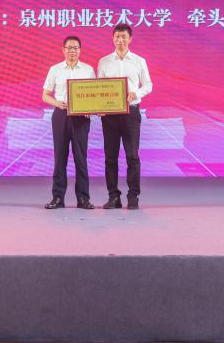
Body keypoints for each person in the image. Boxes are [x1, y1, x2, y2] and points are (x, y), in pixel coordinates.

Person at [97, 23, 152, 209]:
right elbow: (99, 87)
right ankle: (113, 196)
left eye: (124, 37)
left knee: (132, 156)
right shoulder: (104, 61)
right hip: (109, 115)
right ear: (112, 39)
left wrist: (136, 93)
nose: (120, 40)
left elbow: (148, 85)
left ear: (130, 39)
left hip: (131, 113)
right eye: (117, 37)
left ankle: (133, 195)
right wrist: (99, 106)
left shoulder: (139, 61)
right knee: (110, 157)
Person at [41, 35, 96, 210]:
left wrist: (90, 108)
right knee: (60, 157)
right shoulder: (55, 69)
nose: (72, 51)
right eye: (69, 48)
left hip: (81, 118)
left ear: (80, 50)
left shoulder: (88, 70)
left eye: (75, 48)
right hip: (61, 115)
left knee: (81, 158)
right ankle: (58, 198)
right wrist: (57, 103)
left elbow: (93, 95)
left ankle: (83, 198)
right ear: (63, 50)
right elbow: (45, 95)